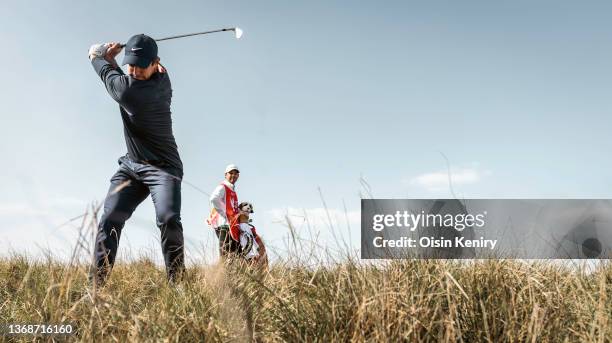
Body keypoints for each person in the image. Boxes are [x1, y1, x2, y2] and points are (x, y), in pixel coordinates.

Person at [88, 34, 185, 285]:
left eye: (142, 65)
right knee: (109, 219)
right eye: (131, 64)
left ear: (155, 63)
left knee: (168, 219)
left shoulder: (131, 91)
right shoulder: (163, 76)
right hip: (131, 166)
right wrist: (116, 58)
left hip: (163, 169)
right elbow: (121, 72)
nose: (135, 70)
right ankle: (96, 287)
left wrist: (104, 54)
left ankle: (178, 285)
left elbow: (96, 59)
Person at [208, 164, 241, 258]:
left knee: (234, 257)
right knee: (225, 257)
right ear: (225, 175)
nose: (233, 175)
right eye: (231, 173)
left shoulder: (231, 189)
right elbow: (214, 199)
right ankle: (221, 273)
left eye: (236, 174)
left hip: (231, 226)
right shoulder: (223, 187)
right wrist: (225, 213)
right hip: (225, 226)